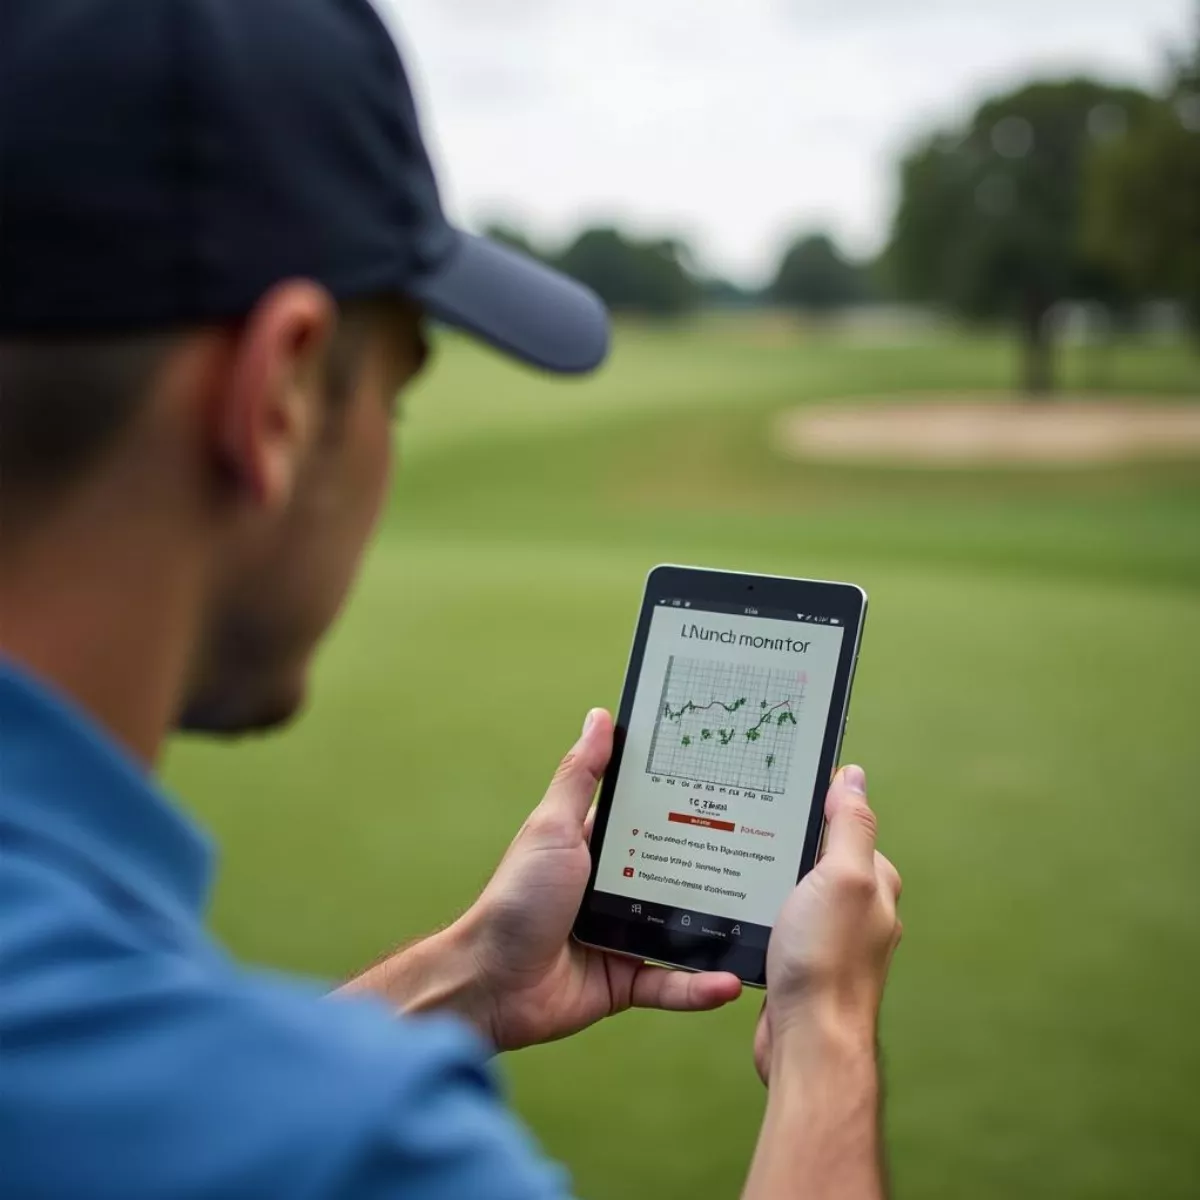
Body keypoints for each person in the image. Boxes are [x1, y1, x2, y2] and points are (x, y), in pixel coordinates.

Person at [0, 1, 903, 1197]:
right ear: (277, 401)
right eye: (395, 392)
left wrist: (470, 975)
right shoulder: (362, 1152)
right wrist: (827, 1037)